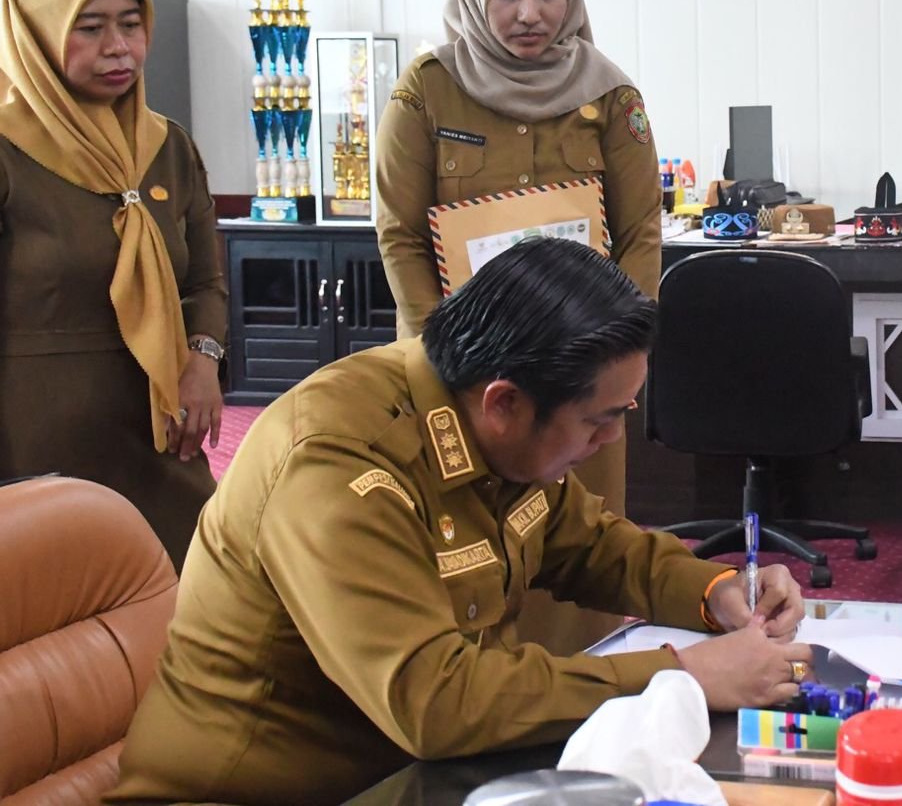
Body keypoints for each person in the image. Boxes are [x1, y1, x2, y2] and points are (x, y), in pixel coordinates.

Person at [111, 236, 813, 805]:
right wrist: (682, 673)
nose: (611, 441)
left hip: (416, 773)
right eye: (599, 421)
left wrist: (712, 591)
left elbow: (590, 544)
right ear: (505, 403)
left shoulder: (490, 427)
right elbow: (436, 702)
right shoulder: (336, 467)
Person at [375, 0, 663, 655]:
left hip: (579, 387)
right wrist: (449, 355)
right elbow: (399, 233)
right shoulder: (426, 93)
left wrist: (612, 357)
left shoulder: (612, 99)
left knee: (581, 537)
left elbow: (641, 235)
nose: (530, 13)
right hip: (464, 381)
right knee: (459, 537)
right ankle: (473, 690)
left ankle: (581, 681)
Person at [0, 0, 226, 569]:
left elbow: (206, 281)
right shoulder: (7, 147)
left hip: (160, 429)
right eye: (89, 28)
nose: (119, 47)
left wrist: (203, 358)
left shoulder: (166, 146)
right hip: (33, 437)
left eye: (131, 24)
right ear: (37, 35)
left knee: (198, 598)